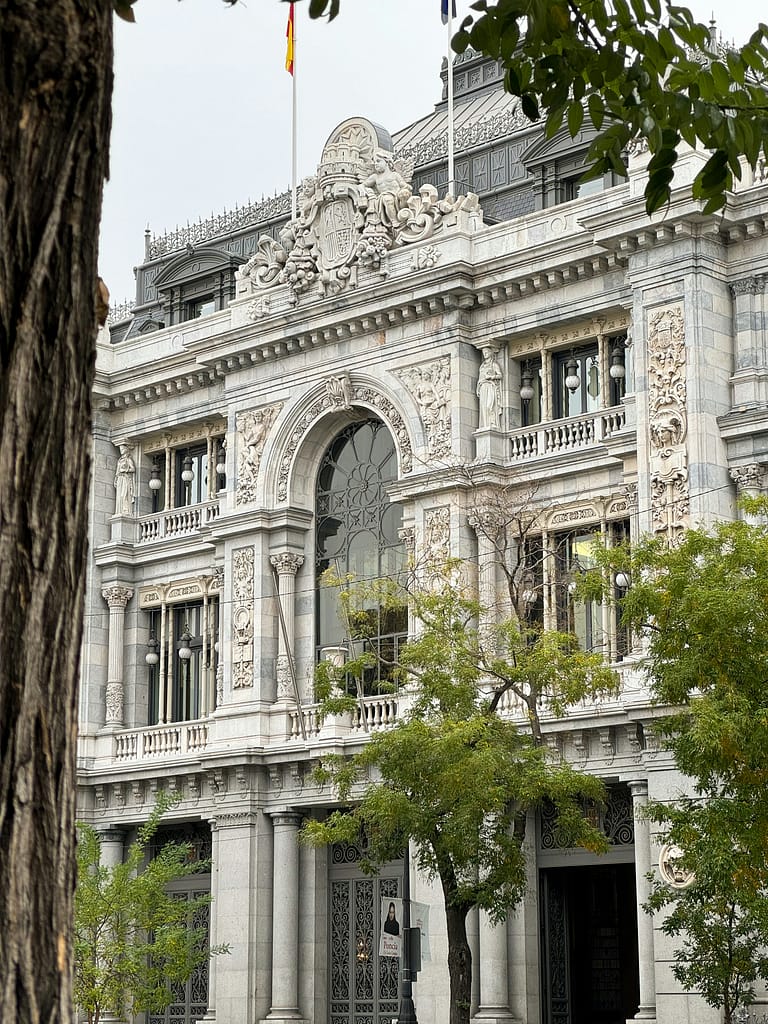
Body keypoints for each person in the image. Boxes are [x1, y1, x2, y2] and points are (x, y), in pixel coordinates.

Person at [113, 443, 135, 516]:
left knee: (124, 494)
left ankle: (126, 510)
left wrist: (125, 470)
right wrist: (116, 479)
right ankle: (120, 511)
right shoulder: (119, 460)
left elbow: (133, 469)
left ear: (126, 450)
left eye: (122, 449)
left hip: (125, 478)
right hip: (120, 478)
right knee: (119, 496)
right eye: (120, 449)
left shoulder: (128, 459)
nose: (121, 451)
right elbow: (117, 471)